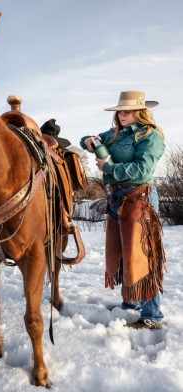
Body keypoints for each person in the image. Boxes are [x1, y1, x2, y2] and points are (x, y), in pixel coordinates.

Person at [80, 91, 166, 330]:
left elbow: (142, 168)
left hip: (140, 199)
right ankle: (131, 303)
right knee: (123, 254)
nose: (121, 115)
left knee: (143, 256)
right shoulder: (115, 133)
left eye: (126, 111)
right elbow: (89, 140)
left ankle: (152, 316)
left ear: (140, 112)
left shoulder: (150, 135)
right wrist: (88, 140)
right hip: (117, 200)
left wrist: (110, 167)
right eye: (119, 111)